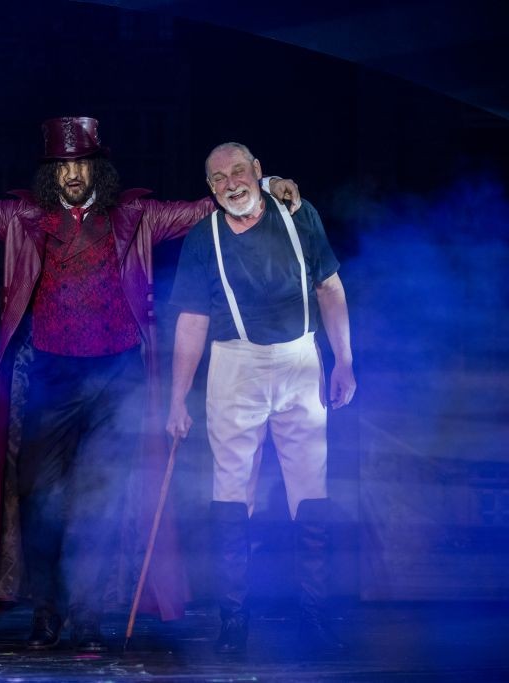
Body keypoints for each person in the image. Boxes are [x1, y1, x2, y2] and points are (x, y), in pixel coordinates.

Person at [0, 117, 300, 652]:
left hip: (115, 380)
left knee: (97, 503)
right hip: (51, 378)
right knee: (40, 500)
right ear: (49, 174)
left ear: (97, 169)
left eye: (81, 164)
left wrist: (267, 183)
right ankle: (47, 612)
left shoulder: (133, 216)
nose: (73, 175)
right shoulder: (25, 219)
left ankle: (87, 617)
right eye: (62, 167)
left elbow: (205, 206)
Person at [166, 142, 355, 656]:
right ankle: (233, 620)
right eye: (219, 178)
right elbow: (191, 321)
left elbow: (330, 289)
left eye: (239, 172)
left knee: (311, 490)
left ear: (258, 171)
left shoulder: (298, 214)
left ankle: (314, 618)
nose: (231, 183)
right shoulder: (203, 238)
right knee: (231, 492)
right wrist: (177, 399)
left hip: (300, 361)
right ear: (210, 189)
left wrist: (344, 361)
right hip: (236, 366)